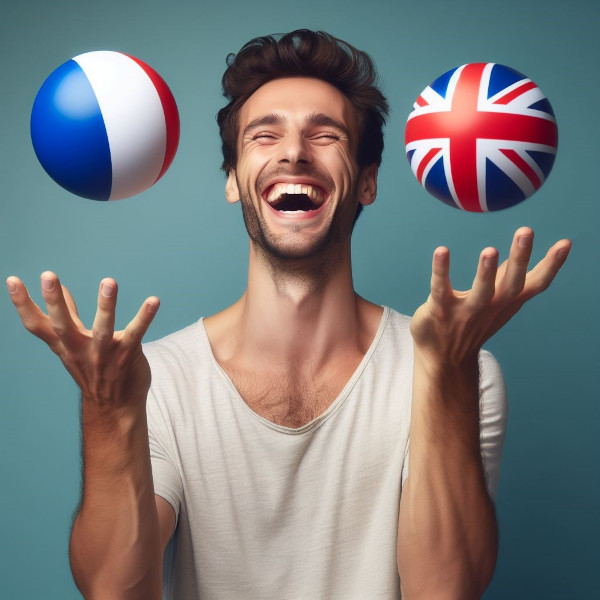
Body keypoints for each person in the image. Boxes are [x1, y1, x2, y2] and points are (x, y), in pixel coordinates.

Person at [7, 30, 571, 600]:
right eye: (264, 135)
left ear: (368, 181)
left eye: (324, 135)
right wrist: (108, 408)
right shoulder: (156, 381)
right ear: (233, 180)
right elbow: (113, 590)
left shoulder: (456, 370)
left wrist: (449, 373)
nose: (294, 152)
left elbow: (443, 590)